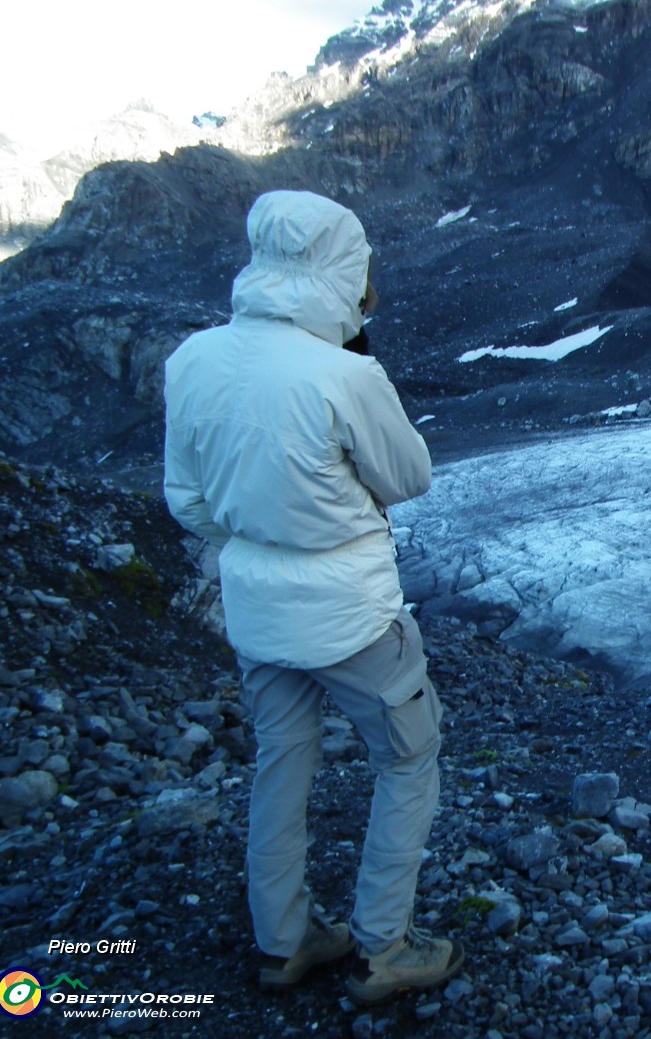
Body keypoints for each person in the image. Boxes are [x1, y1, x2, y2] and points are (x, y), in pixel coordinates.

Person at [163, 189, 464, 1004]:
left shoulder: (191, 359)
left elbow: (186, 501)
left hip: (256, 612)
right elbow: (409, 476)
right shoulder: (345, 374)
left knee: (280, 764)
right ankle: (383, 948)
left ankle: (284, 942)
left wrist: (257, 537)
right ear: (342, 270)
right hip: (353, 617)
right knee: (407, 757)